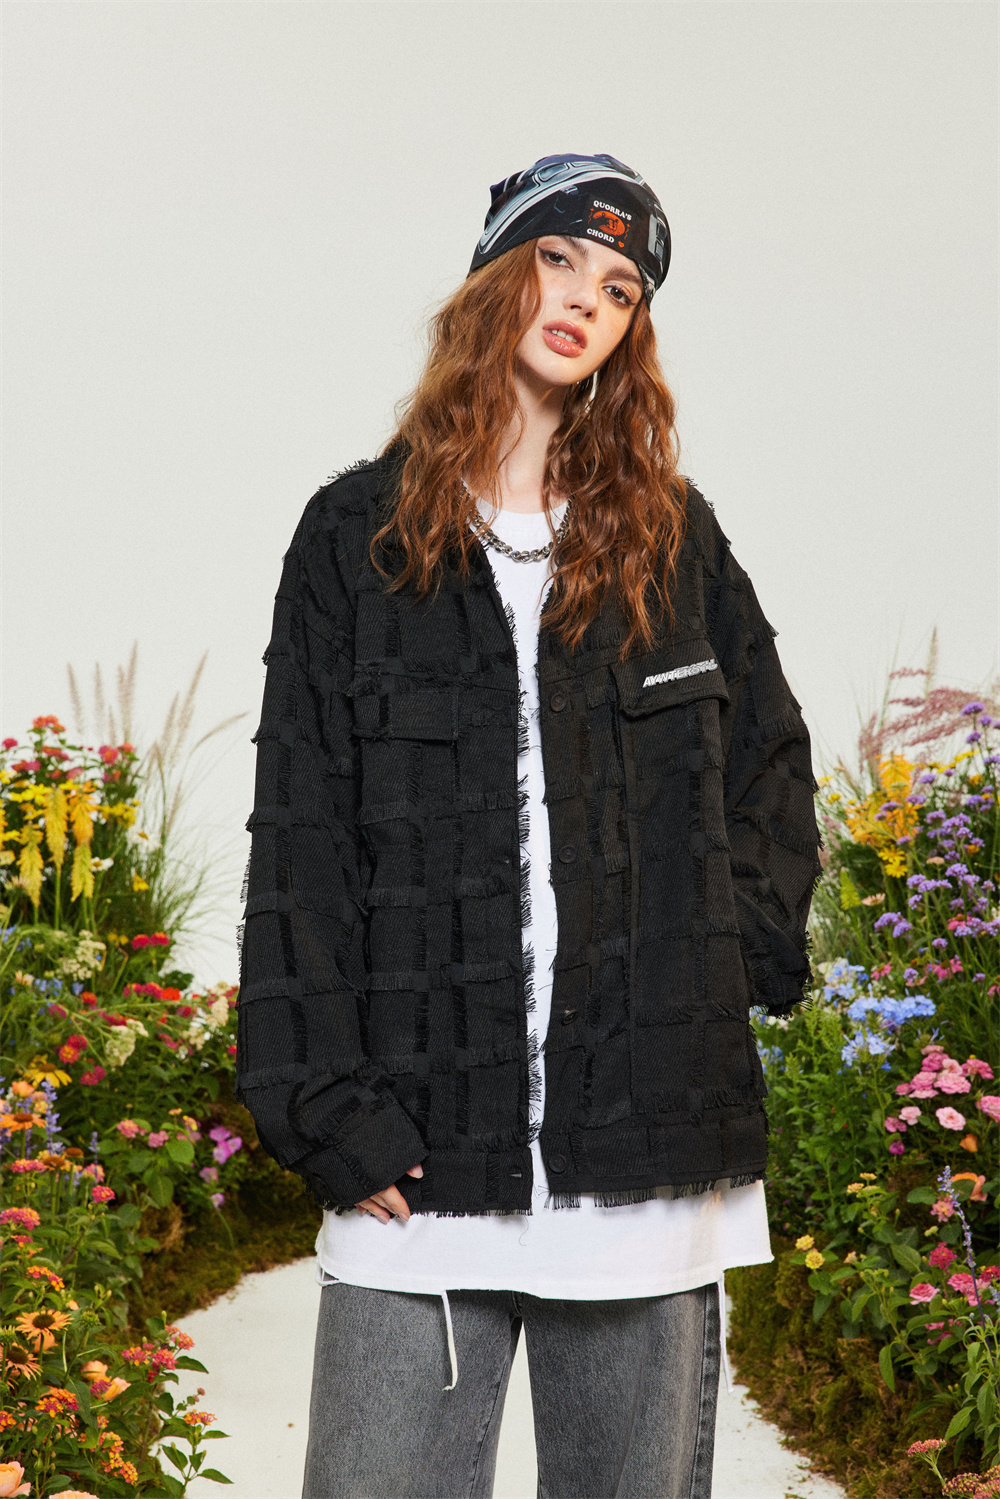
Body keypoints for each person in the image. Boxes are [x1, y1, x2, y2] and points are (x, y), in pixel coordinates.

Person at [236, 153, 822, 1499]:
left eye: (619, 289)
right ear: (497, 274)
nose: (583, 302)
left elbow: (772, 769)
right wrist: (328, 1107)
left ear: (631, 334)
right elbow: (301, 837)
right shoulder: (355, 538)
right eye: (560, 260)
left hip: (644, 1168)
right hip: (421, 1153)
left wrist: (714, 959)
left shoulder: (672, 540)